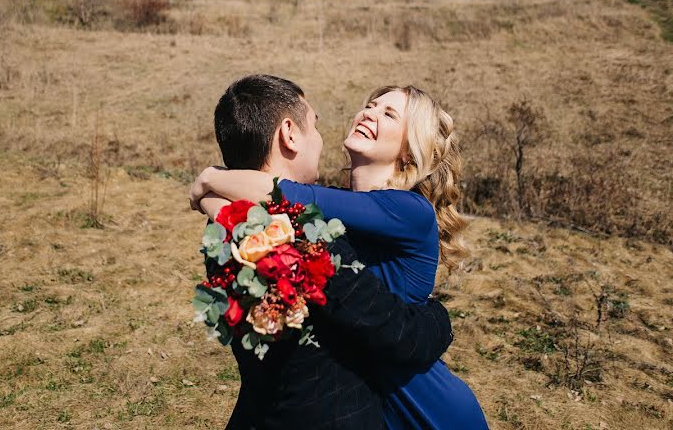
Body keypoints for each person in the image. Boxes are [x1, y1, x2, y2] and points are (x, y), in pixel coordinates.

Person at [192, 83, 489, 429]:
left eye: (388, 113)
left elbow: (281, 194)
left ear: (409, 151)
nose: (369, 112)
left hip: (425, 404)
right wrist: (211, 201)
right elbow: (272, 209)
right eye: (371, 105)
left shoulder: (409, 210)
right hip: (374, 399)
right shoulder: (334, 211)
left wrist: (211, 180)